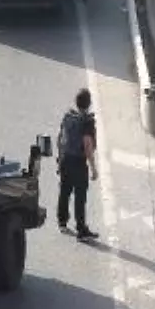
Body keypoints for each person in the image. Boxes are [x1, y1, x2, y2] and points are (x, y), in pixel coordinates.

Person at [57, 88, 99, 241]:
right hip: (78, 163)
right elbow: (87, 145)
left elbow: (61, 139)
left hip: (66, 159)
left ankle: (62, 222)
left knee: (64, 190)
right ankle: (81, 229)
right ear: (89, 104)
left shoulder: (68, 117)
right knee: (80, 196)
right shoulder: (87, 122)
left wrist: (60, 159)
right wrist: (93, 167)